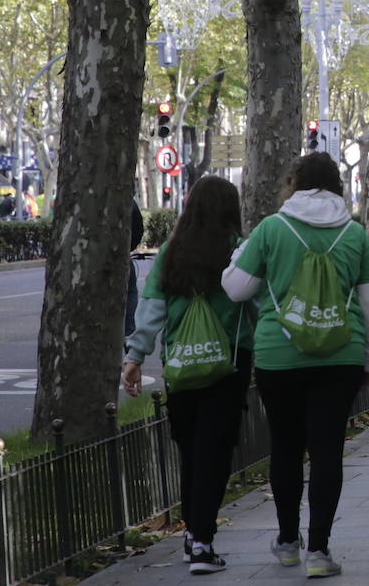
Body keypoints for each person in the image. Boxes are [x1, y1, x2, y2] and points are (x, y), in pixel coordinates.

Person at [223, 152, 369, 578]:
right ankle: (320, 550)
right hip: (341, 355)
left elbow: (237, 289)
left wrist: (243, 254)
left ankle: (288, 541)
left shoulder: (272, 229)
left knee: (286, 447)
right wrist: (368, 359)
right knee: (328, 449)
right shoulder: (355, 235)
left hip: (280, 357)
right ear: (337, 186)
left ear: (293, 182)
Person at [122, 176, 252, 575]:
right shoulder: (238, 252)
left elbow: (151, 310)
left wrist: (135, 356)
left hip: (181, 366)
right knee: (216, 452)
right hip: (228, 364)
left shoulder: (171, 253)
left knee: (191, 452)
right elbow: (259, 303)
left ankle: (192, 536)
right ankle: (202, 541)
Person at [125, 199, 145, 337]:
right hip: (122, 257)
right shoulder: (127, 200)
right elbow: (138, 228)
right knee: (130, 293)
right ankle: (130, 335)